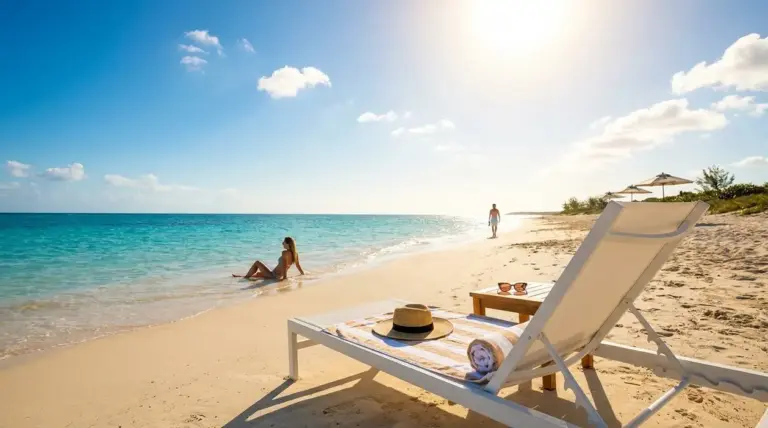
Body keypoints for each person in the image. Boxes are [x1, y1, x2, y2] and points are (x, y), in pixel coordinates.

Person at [233, 237, 305, 281]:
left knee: (257, 262)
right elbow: (298, 266)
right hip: (276, 275)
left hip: (274, 275)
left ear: (288, 244)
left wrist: (284, 278)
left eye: (284, 242)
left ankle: (245, 278)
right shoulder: (295, 254)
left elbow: (284, 265)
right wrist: (303, 274)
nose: (282, 243)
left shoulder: (284, 253)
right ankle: (242, 277)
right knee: (258, 274)